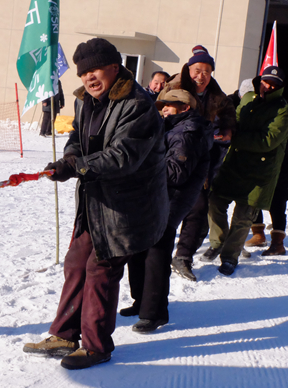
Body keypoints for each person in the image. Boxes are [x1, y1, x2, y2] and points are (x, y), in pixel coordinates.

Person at [22, 38, 168, 370]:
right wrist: (70, 158)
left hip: (128, 208)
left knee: (99, 271)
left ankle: (97, 346)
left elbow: (123, 156)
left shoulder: (139, 105)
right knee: (75, 263)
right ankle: (63, 335)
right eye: (83, 71)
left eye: (95, 69)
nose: (89, 77)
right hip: (95, 202)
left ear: (115, 68)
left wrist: (76, 167)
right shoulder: (87, 101)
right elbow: (76, 137)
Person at [124, 89, 212, 332]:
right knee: (140, 247)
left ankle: (155, 312)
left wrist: (141, 168)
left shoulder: (187, 132)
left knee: (156, 250)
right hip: (157, 194)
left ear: (185, 108)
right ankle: (141, 301)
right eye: (162, 104)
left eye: (170, 105)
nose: (163, 109)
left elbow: (176, 172)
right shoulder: (172, 127)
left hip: (173, 198)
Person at [202, 66, 288, 276]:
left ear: (280, 88)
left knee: (243, 217)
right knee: (214, 202)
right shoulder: (247, 98)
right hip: (233, 163)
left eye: (274, 84)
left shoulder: (282, 110)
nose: (268, 86)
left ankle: (230, 257)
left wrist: (234, 137)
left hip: (260, 171)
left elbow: (268, 141)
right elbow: (233, 119)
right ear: (259, 80)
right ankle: (219, 241)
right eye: (266, 81)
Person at [161, 45, 237, 281]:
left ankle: (182, 257)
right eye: (197, 70)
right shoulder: (175, 87)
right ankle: (151, 255)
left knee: (199, 209)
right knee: (164, 210)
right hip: (169, 157)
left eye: (206, 71)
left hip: (200, 159)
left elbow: (229, 112)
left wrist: (226, 129)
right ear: (188, 69)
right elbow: (156, 114)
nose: (201, 76)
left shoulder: (215, 94)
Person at [245, 83, 288, 256]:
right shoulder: (255, 104)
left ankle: (278, 243)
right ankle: (258, 234)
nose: (266, 89)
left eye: (271, 85)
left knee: (277, 202)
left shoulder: (287, 107)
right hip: (256, 159)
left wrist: (272, 151)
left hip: (282, 160)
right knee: (254, 196)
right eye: (263, 85)